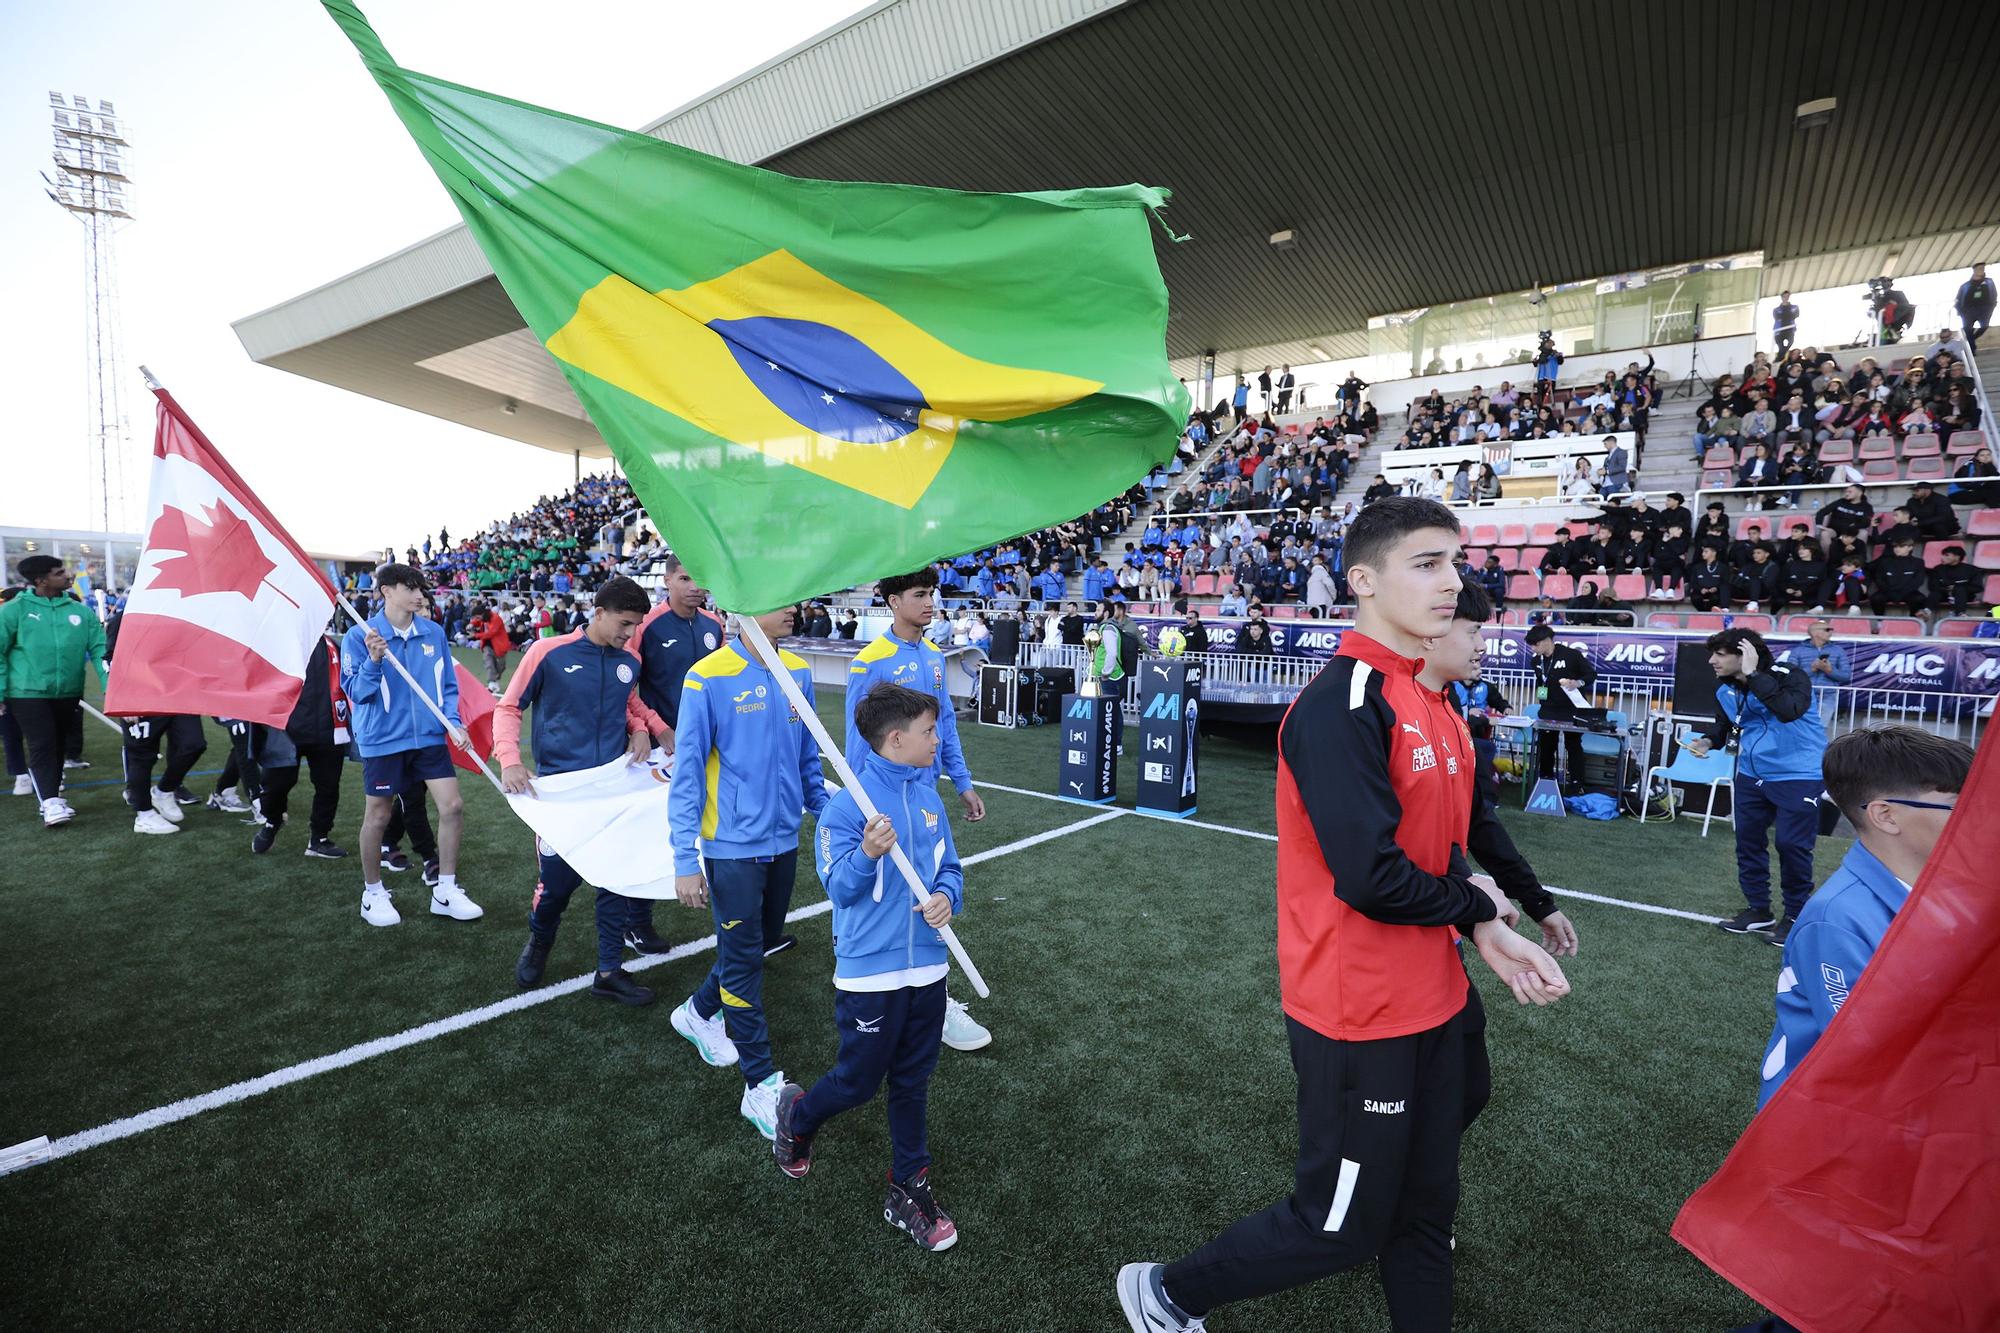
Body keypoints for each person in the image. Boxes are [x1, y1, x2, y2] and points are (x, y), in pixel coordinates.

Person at [1116, 496, 1569, 1333]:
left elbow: (1440, 853)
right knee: (1337, 1226)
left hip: (1432, 997)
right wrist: (1479, 905)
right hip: (1359, 1012)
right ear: (1361, 580)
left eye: (1455, 561)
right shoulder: (1342, 702)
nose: (1451, 581)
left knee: (1425, 1212)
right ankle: (1167, 1292)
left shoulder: (1427, 699)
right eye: (1427, 563)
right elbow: (1373, 878)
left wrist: (1487, 927)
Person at [772, 682, 965, 1250]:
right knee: (857, 1083)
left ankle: (908, 1184)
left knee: (912, 1081)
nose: (938, 739)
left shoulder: (929, 799)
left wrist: (948, 898)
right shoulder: (845, 806)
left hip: (928, 968)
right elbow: (840, 887)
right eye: (930, 731)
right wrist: (869, 853)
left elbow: (949, 868)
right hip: (869, 976)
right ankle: (799, 1118)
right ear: (897, 738)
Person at [667, 601, 830, 1138]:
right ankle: (759, 1084)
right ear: (745, 608)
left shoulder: (799, 672)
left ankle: (696, 1012)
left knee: (755, 945)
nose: (795, 609)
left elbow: (809, 756)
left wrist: (827, 813)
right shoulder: (707, 677)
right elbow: (686, 772)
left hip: (784, 839)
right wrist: (685, 859)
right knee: (743, 962)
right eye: (781, 600)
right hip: (730, 847)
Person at [1756, 726, 1972, 1111]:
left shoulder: (1949, 886)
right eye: (1960, 806)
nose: (1979, 818)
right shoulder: (1837, 919)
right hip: (1824, 1121)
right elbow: (1866, 1052)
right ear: (1885, 815)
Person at [843, 568, 992, 1054]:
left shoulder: (932, 655)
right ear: (892, 601)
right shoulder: (871, 660)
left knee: (933, 893)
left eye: (933, 593)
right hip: (884, 808)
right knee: (888, 900)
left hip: (924, 802)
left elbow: (943, 724)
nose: (930, 602)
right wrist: (863, 807)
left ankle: (935, 998)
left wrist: (963, 784)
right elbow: (857, 742)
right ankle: (881, 994)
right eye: (920, 595)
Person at [504, 577, 663, 1004]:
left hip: (613, 790)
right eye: (625, 623)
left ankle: (609, 971)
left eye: (635, 626)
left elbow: (627, 704)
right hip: (561, 795)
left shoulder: (627, 660)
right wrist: (509, 759)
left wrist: (643, 729)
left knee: (615, 880)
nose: (630, 634)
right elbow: (508, 706)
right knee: (557, 884)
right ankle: (539, 941)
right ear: (599, 612)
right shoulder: (547, 652)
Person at [1426, 577, 1577, 960]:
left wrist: (1538, 901)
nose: (1481, 646)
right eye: (1475, 631)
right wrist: (1474, 896)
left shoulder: (1447, 708)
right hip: (1383, 953)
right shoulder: (1367, 707)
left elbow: (1476, 819)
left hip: (1443, 923)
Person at [340, 563, 484, 928]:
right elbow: (356, 692)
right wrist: (374, 661)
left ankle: (446, 889)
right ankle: (372, 893)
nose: (420, 594)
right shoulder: (360, 636)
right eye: (411, 587)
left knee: (452, 806)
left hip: (430, 739)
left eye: (421, 587)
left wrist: (453, 723)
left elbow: (448, 686)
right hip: (384, 740)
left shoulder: (433, 633)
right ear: (387, 591)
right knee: (379, 815)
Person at [1685, 629, 1827, 946]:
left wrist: (1753, 675)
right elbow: (1725, 727)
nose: (1711, 661)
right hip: (1750, 774)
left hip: (1798, 773)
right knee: (1748, 842)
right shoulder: (1725, 690)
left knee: (1791, 844)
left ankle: (1796, 916)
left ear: (1745, 653)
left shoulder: (1791, 675)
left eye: (1720, 654)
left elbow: (1789, 710)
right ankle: (1758, 910)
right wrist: (1707, 741)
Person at [626, 555, 728, 957]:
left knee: (718, 820)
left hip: (707, 747)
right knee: (650, 832)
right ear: (667, 580)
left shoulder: (713, 625)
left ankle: (738, 919)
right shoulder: (648, 626)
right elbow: (626, 685)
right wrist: (652, 728)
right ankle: (635, 922)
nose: (693, 586)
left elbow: (720, 682)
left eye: (699, 577)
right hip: (660, 751)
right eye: (685, 577)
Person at [0, 555, 108, 828]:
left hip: (68, 692)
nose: (67, 575)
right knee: (43, 742)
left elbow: (99, 650)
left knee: (58, 743)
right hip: (26, 692)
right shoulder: (14, 610)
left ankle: (49, 794)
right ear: (41, 580)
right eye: (60, 572)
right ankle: (50, 803)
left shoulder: (81, 612)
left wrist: (111, 688)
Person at [250, 629, 350, 858]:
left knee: (328, 787)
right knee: (276, 785)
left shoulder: (332, 645)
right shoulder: (277, 644)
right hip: (286, 730)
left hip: (328, 728)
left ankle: (319, 839)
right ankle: (273, 821)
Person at [1524, 624, 1595, 790]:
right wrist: (1542, 699)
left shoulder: (1571, 655)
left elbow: (1591, 674)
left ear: (1547, 640)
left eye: (1536, 644)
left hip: (1572, 710)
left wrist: (1578, 682)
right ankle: (1546, 779)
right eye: (1531, 645)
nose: (1533, 648)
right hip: (1548, 710)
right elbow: (1541, 682)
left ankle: (1577, 782)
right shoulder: (1536, 661)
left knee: (1573, 745)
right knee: (1547, 745)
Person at [468, 601, 513, 691]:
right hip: (487, 645)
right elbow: (477, 622)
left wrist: (476, 635)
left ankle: (495, 680)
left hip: (499, 646)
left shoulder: (495, 618)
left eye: (477, 617)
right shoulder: (483, 618)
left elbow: (491, 633)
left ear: (482, 614)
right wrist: (471, 624)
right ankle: (491, 683)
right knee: (489, 663)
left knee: (500, 666)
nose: (477, 619)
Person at [1954, 261, 1993, 352]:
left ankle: (1972, 339)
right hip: (1968, 310)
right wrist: (1960, 311)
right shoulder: (1965, 285)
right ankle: (1972, 349)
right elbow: (1958, 299)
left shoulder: (1989, 281)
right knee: (1968, 329)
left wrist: (1992, 306)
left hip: (1984, 310)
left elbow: (1994, 294)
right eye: (1979, 269)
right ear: (1974, 271)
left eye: (1983, 268)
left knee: (1984, 326)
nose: (1982, 270)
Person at [1772, 290, 1800, 356]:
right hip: (1779, 330)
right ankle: (1781, 356)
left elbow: (1796, 315)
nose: (1786, 298)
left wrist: (1785, 316)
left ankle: (1780, 356)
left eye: (1787, 296)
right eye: (1784, 296)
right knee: (1780, 346)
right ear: (1782, 297)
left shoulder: (1794, 307)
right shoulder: (1776, 309)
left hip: (1790, 328)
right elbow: (1776, 317)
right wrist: (1788, 315)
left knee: (1790, 342)